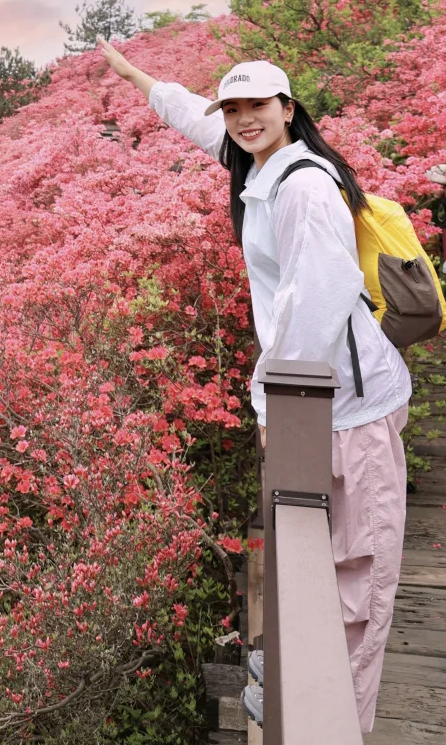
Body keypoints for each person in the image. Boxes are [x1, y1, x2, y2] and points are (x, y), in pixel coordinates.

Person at [98, 43, 410, 733]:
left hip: (351, 406)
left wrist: (270, 401)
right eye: (233, 107)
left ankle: (336, 723)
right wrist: (136, 77)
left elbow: (319, 301)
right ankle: (306, 686)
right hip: (321, 403)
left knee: (361, 576)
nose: (243, 119)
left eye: (257, 106)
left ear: (288, 109)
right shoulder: (259, 164)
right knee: (323, 553)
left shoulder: (303, 188)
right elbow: (197, 120)